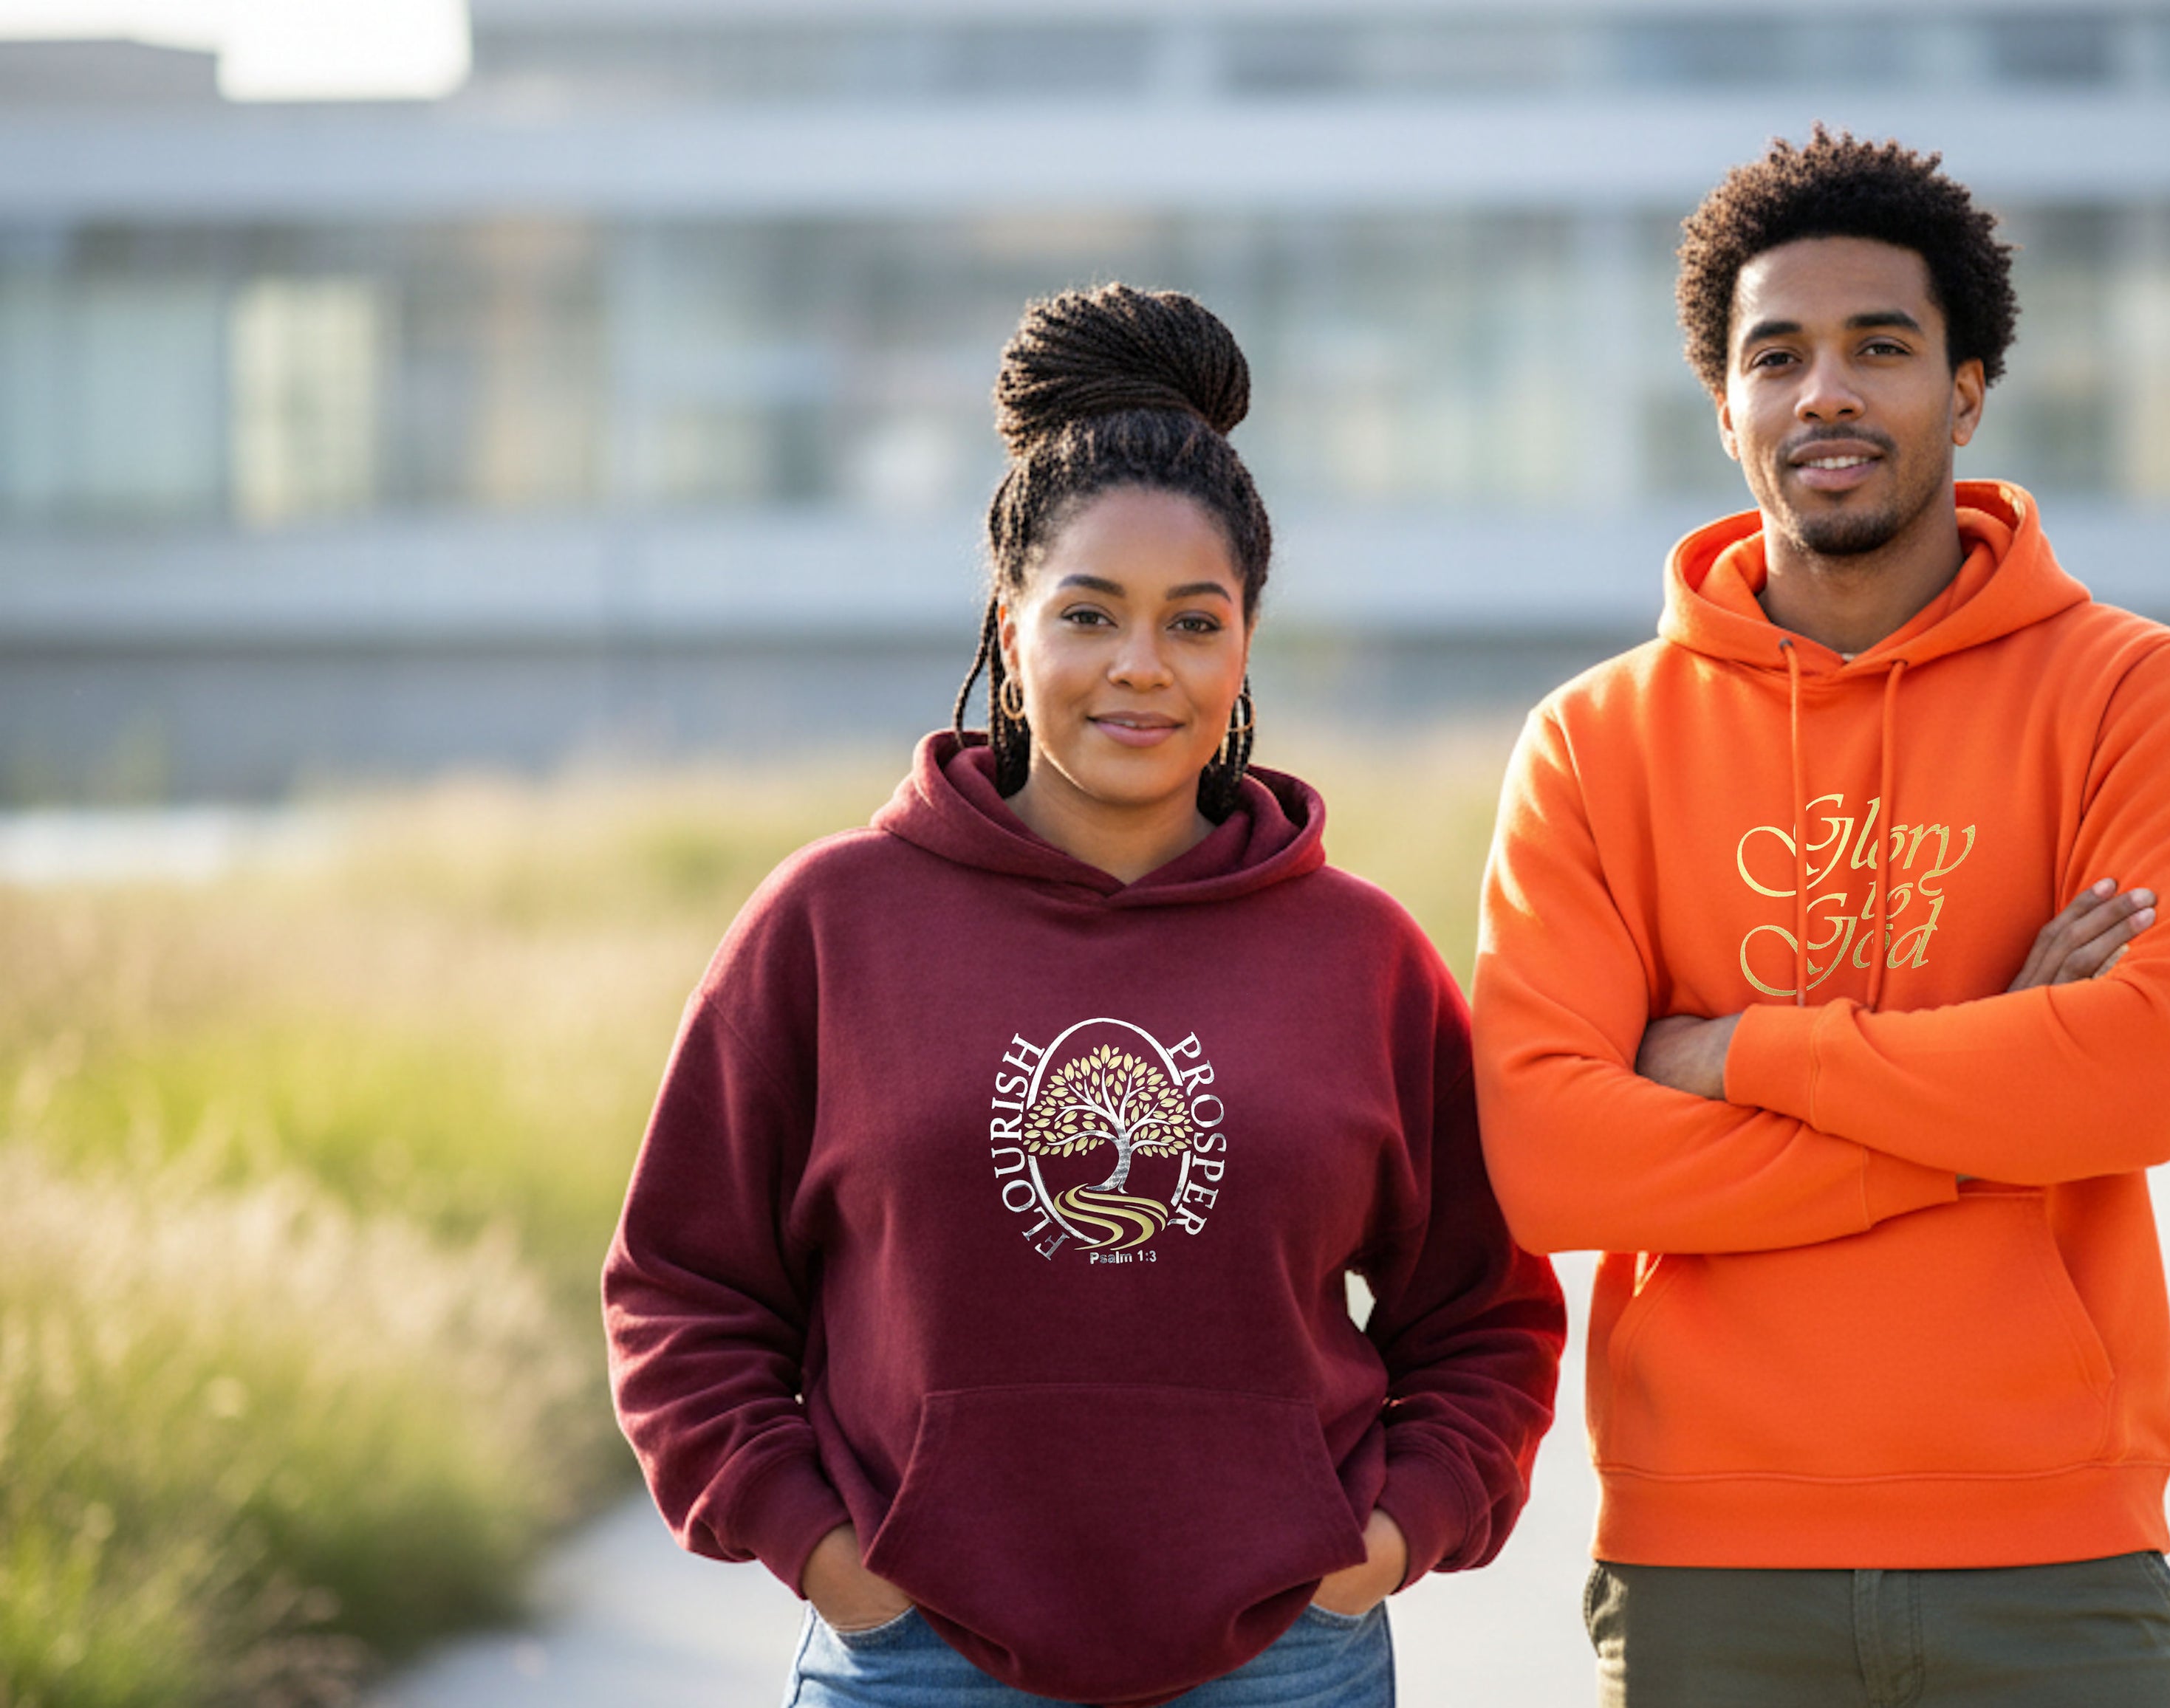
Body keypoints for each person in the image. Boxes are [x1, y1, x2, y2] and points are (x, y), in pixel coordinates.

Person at [604, 284, 1564, 1708]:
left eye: (1193, 620)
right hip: (914, 1657)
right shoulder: (829, 924)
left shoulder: (1361, 956)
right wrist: (818, 1551)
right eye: (1089, 613)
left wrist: (1386, 1535)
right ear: (1009, 623)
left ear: (1245, 643)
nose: (1141, 666)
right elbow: (682, 1289)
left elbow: (1487, 1310)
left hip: (1286, 1660)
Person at [1471, 128, 2170, 1706]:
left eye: (1880, 348)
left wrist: (1727, 1053)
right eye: (1779, 355)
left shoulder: (2131, 694)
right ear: (1724, 402)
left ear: (1967, 390)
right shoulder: (1594, 741)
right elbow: (1549, 1157)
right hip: (1706, 1566)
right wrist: (1997, 1083)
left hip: (2058, 1556)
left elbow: (2144, 1082)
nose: (1826, 390)